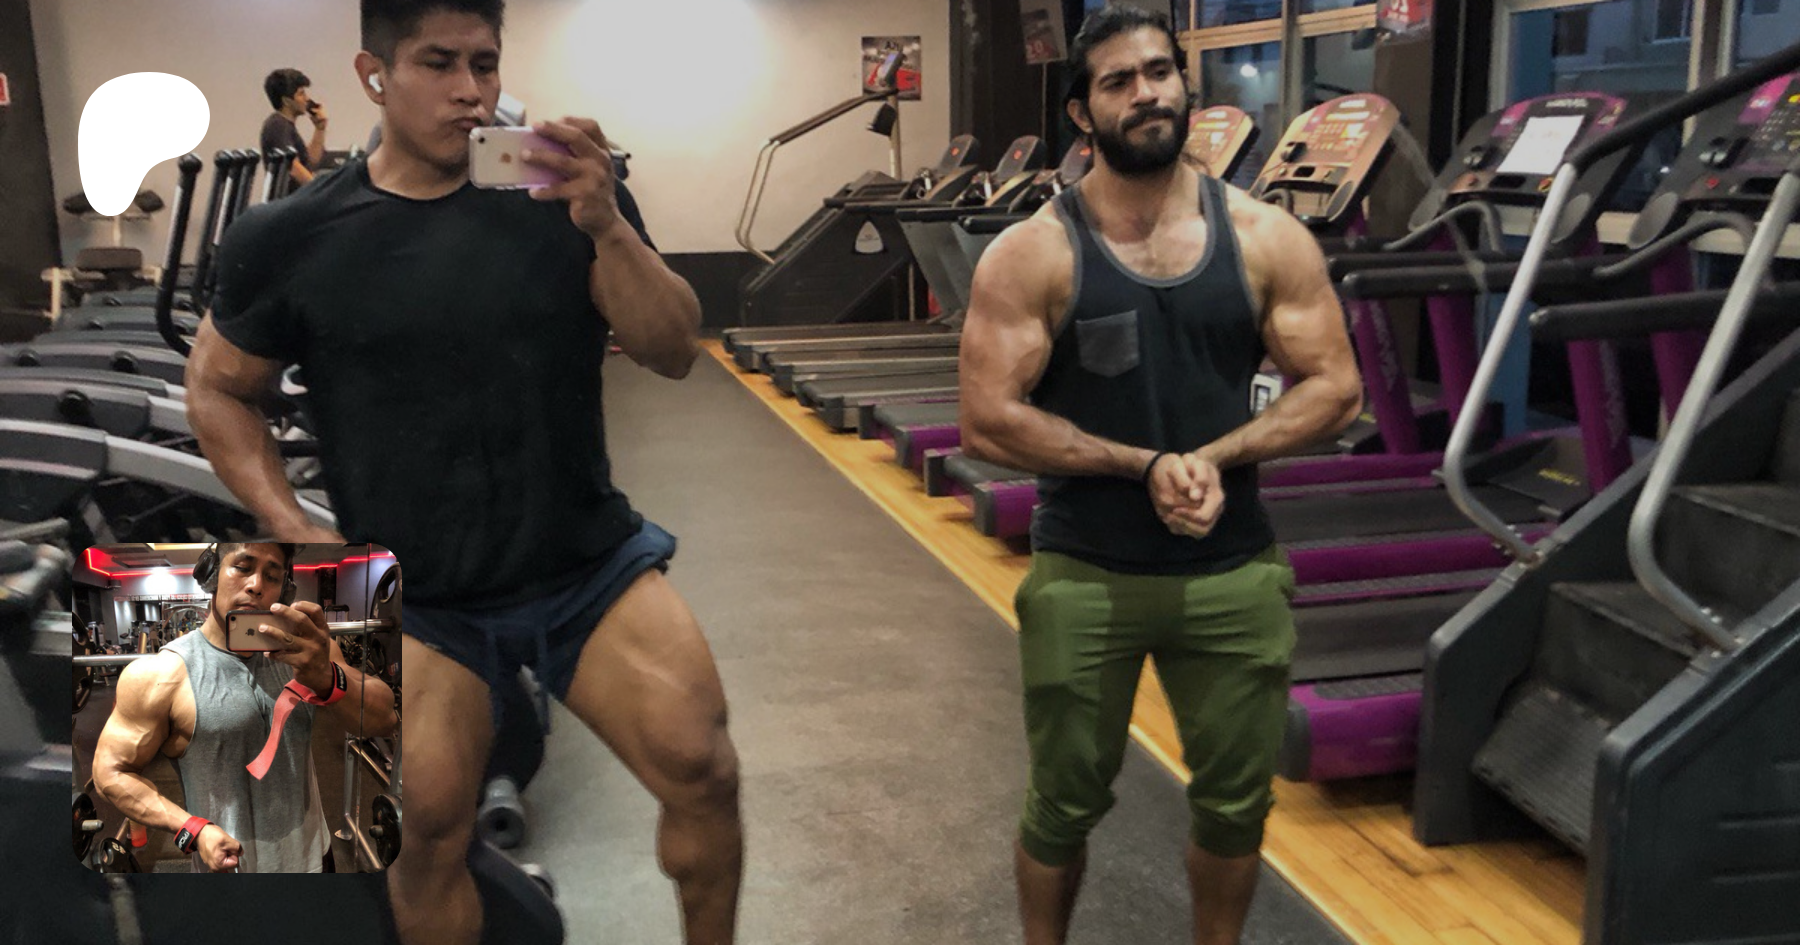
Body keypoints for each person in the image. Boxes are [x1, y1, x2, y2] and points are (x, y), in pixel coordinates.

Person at [184, 1, 741, 942]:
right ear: (374, 74)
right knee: (425, 830)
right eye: (438, 63)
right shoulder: (292, 235)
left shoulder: (562, 196)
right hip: (421, 597)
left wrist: (607, 223)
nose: (470, 91)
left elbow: (673, 347)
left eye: (484, 63)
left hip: (584, 565)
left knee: (704, 767)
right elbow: (217, 386)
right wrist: (293, 523)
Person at [956, 6, 1363, 944]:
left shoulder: (1264, 236)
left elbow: (1336, 387)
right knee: (1062, 800)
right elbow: (988, 416)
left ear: (1185, 84)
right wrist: (1143, 466)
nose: (1146, 93)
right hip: (1085, 573)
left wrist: (1215, 458)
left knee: (1236, 803)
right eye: (1118, 81)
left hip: (1233, 569)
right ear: (1081, 113)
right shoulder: (1034, 252)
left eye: (1160, 72)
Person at [89, 542, 399, 873]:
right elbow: (110, 772)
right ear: (212, 576)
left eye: (272, 576)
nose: (256, 585)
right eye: (242, 567)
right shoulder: (161, 674)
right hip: (228, 866)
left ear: (285, 589)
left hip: (315, 856)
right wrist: (192, 830)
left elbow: (385, 718)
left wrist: (327, 677)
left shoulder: (309, 655)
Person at [261, 68, 330, 187]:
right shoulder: (278, 125)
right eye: (301, 94)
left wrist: (320, 128)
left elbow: (310, 162)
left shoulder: (286, 125)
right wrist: (320, 190)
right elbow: (293, 167)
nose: (307, 99)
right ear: (286, 101)